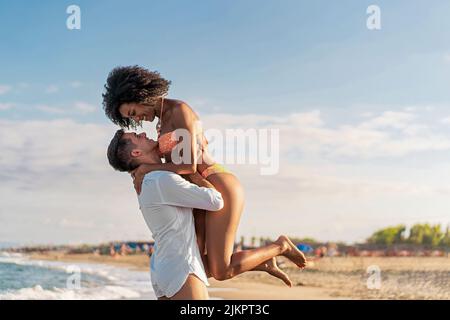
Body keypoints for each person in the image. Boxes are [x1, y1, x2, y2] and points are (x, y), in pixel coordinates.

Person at [102, 66, 307, 283]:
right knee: (197, 267)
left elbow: (189, 166)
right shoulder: (161, 121)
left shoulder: (180, 110)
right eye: (132, 119)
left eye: (133, 113)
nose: (139, 120)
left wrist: (147, 169)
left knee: (220, 271)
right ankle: (261, 261)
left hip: (216, 183)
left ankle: (280, 246)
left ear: (139, 94)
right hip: (198, 192)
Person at [107, 129, 224, 299]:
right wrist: (193, 172)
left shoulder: (149, 181)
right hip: (181, 269)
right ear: (136, 152)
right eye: (138, 136)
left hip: (163, 269)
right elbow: (215, 201)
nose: (144, 134)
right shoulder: (160, 179)